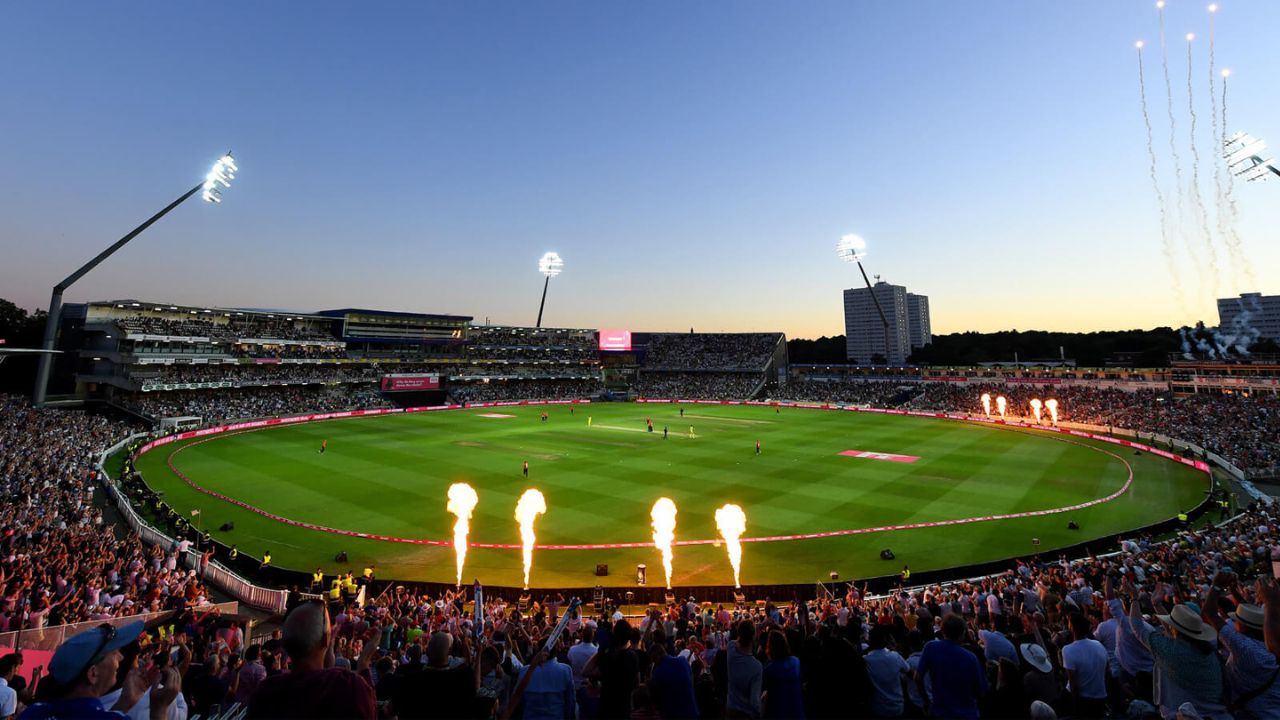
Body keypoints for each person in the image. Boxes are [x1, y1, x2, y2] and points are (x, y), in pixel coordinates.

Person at [20, 620, 181, 720]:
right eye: (113, 653)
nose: (120, 657)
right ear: (93, 673)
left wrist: (125, 703)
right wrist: (159, 711)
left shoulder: (33, 712)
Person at [247, 601, 377, 719]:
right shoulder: (349, 686)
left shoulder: (265, 692)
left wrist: (328, 650)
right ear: (325, 639)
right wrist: (364, 662)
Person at [915, 615, 986, 719]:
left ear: (943, 631)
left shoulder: (931, 647)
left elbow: (917, 678)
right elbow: (981, 690)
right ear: (962, 634)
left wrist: (926, 701)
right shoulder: (971, 657)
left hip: (940, 712)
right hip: (967, 713)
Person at [1061, 613, 1108, 718]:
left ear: (1072, 627)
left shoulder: (1068, 650)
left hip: (1083, 700)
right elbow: (1106, 670)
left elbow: (1073, 685)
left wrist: (1077, 709)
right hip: (1100, 697)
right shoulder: (1098, 645)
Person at [648, 636, 698, 719]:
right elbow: (691, 681)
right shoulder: (683, 660)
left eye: (653, 659)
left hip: (673, 714)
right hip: (692, 711)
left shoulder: (658, 673)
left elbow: (657, 699)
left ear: (657, 657)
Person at [864, 625, 909, 718]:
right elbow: (909, 672)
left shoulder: (865, 660)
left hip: (878, 708)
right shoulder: (895, 656)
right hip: (898, 707)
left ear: (870, 640)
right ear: (885, 640)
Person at [761, 630, 803, 719]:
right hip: (797, 712)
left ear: (770, 647)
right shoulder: (796, 662)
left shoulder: (769, 670)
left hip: (778, 713)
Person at [726, 620, 762, 719]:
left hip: (730, 709)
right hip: (746, 713)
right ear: (753, 637)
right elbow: (755, 702)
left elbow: (735, 642)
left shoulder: (731, 650)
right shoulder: (757, 667)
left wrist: (742, 633)